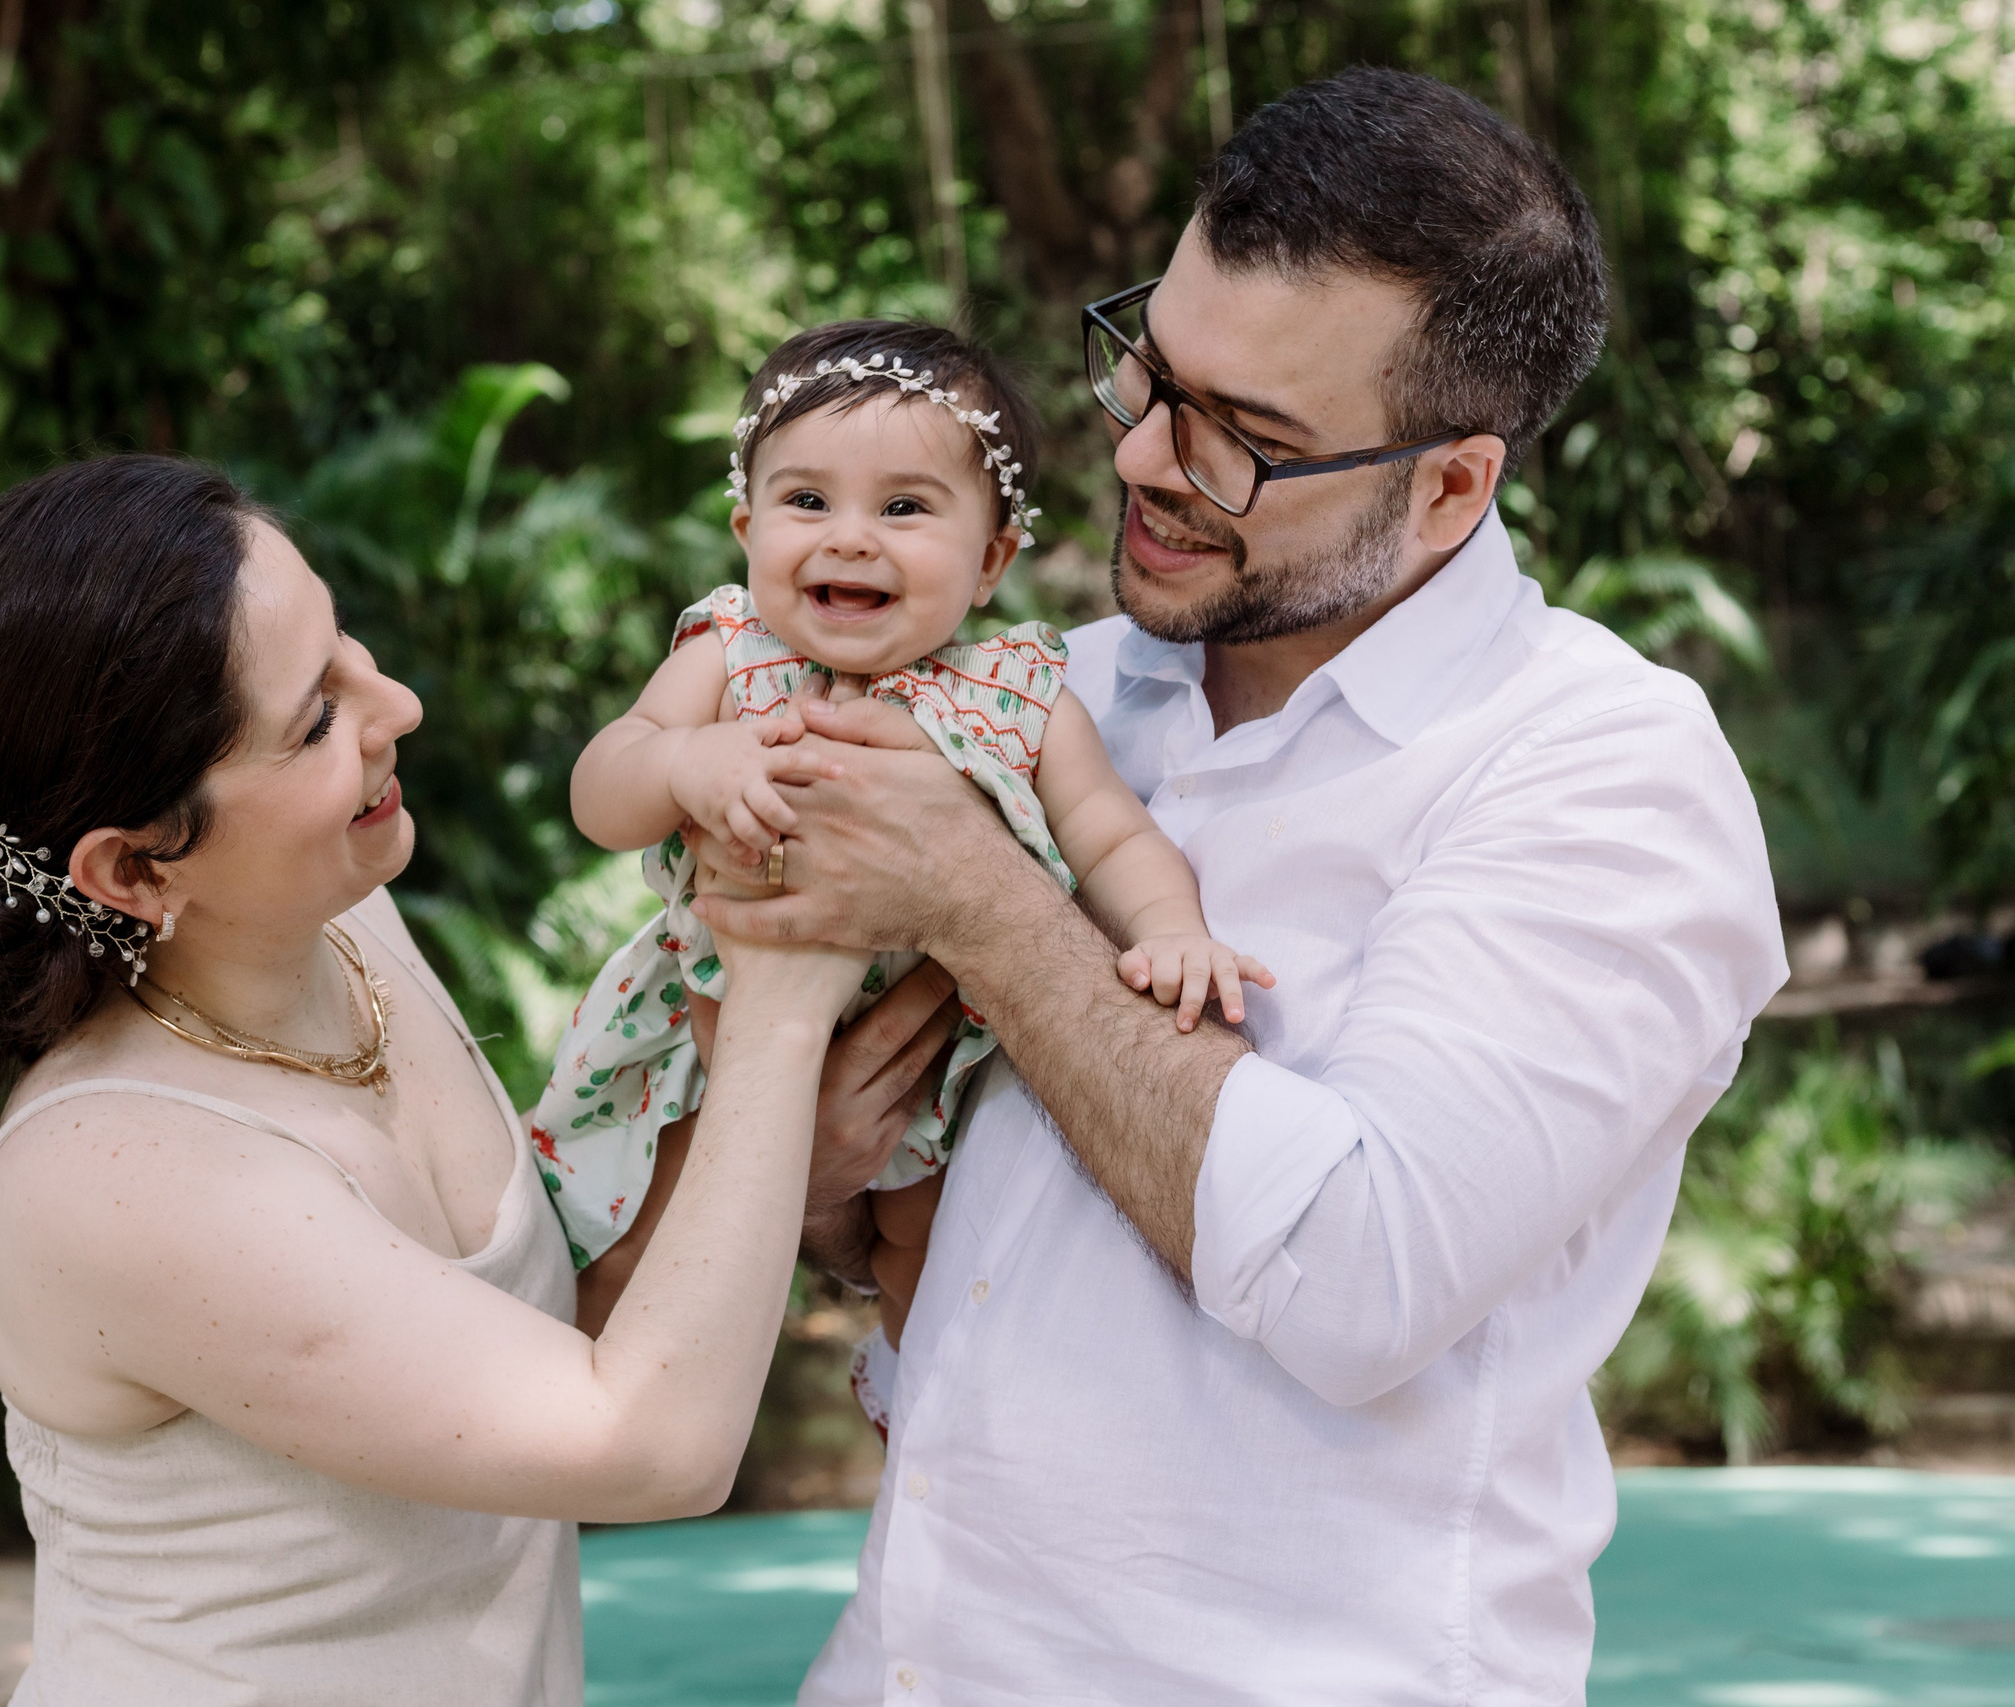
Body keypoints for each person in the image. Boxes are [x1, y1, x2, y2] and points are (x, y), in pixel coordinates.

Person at [686, 70, 1786, 1702]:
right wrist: (830, 1178)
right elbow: (878, 1199)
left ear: (1448, 488)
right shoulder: (1034, 688)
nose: (1140, 453)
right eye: (1149, 367)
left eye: (1244, 440)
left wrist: (988, 905)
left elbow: (1359, 1275)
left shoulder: (1599, 766)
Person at [0, 454, 886, 1707]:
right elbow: (645, 1447)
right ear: (137, 871)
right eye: (316, 718)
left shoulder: (350, 928)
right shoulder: (114, 1176)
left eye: (347, 644)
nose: (398, 703)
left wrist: (790, 1139)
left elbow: (515, 1353)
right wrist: (781, 1019)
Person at [539, 320, 1266, 1380]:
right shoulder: (728, 656)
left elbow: (1111, 835)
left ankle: (921, 1409)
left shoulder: (1019, 694)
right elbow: (603, 793)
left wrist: (1172, 931)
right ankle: (621, 1383)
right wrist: (685, 760)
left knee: (929, 1244)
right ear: (745, 529)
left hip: (941, 1046)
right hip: (718, 1030)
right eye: (805, 501)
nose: (849, 538)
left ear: (991, 560)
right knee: (629, 1216)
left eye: (904, 508)